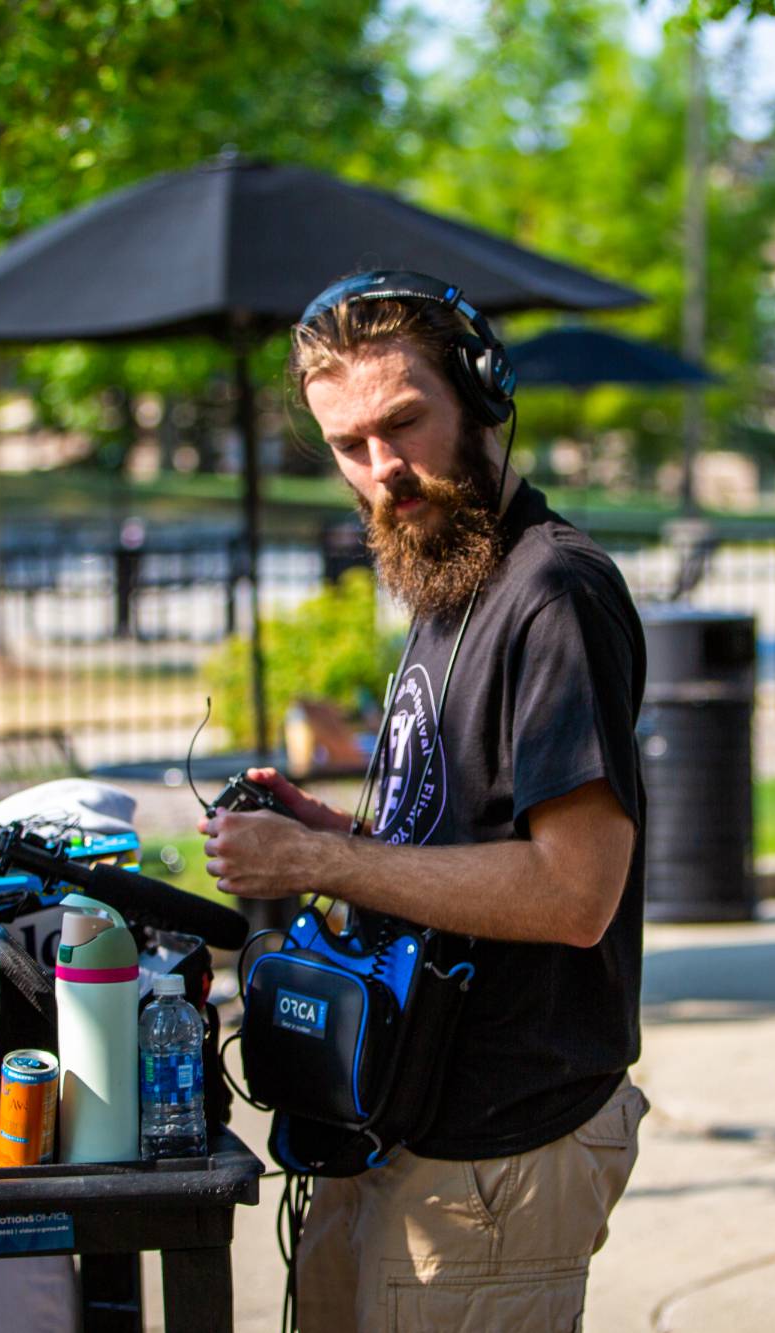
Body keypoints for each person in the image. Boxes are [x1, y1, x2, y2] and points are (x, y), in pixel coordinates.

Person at [201, 270, 649, 1331]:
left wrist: (320, 864)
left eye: (404, 423)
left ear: (482, 396)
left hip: (497, 1149)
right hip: (397, 1120)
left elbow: (574, 892)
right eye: (349, 445)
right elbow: (467, 835)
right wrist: (341, 833)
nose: (382, 468)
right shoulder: (451, 571)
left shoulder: (553, 592)